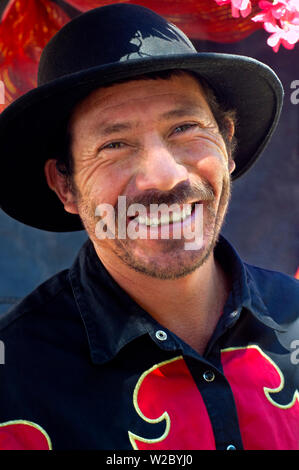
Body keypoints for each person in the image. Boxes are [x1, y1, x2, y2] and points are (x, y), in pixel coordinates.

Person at [0, 3, 298, 451]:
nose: (164, 177)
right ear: (65, 185)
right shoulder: (14, 381)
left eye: (185, 127)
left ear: (227, 144)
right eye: (114, 144)